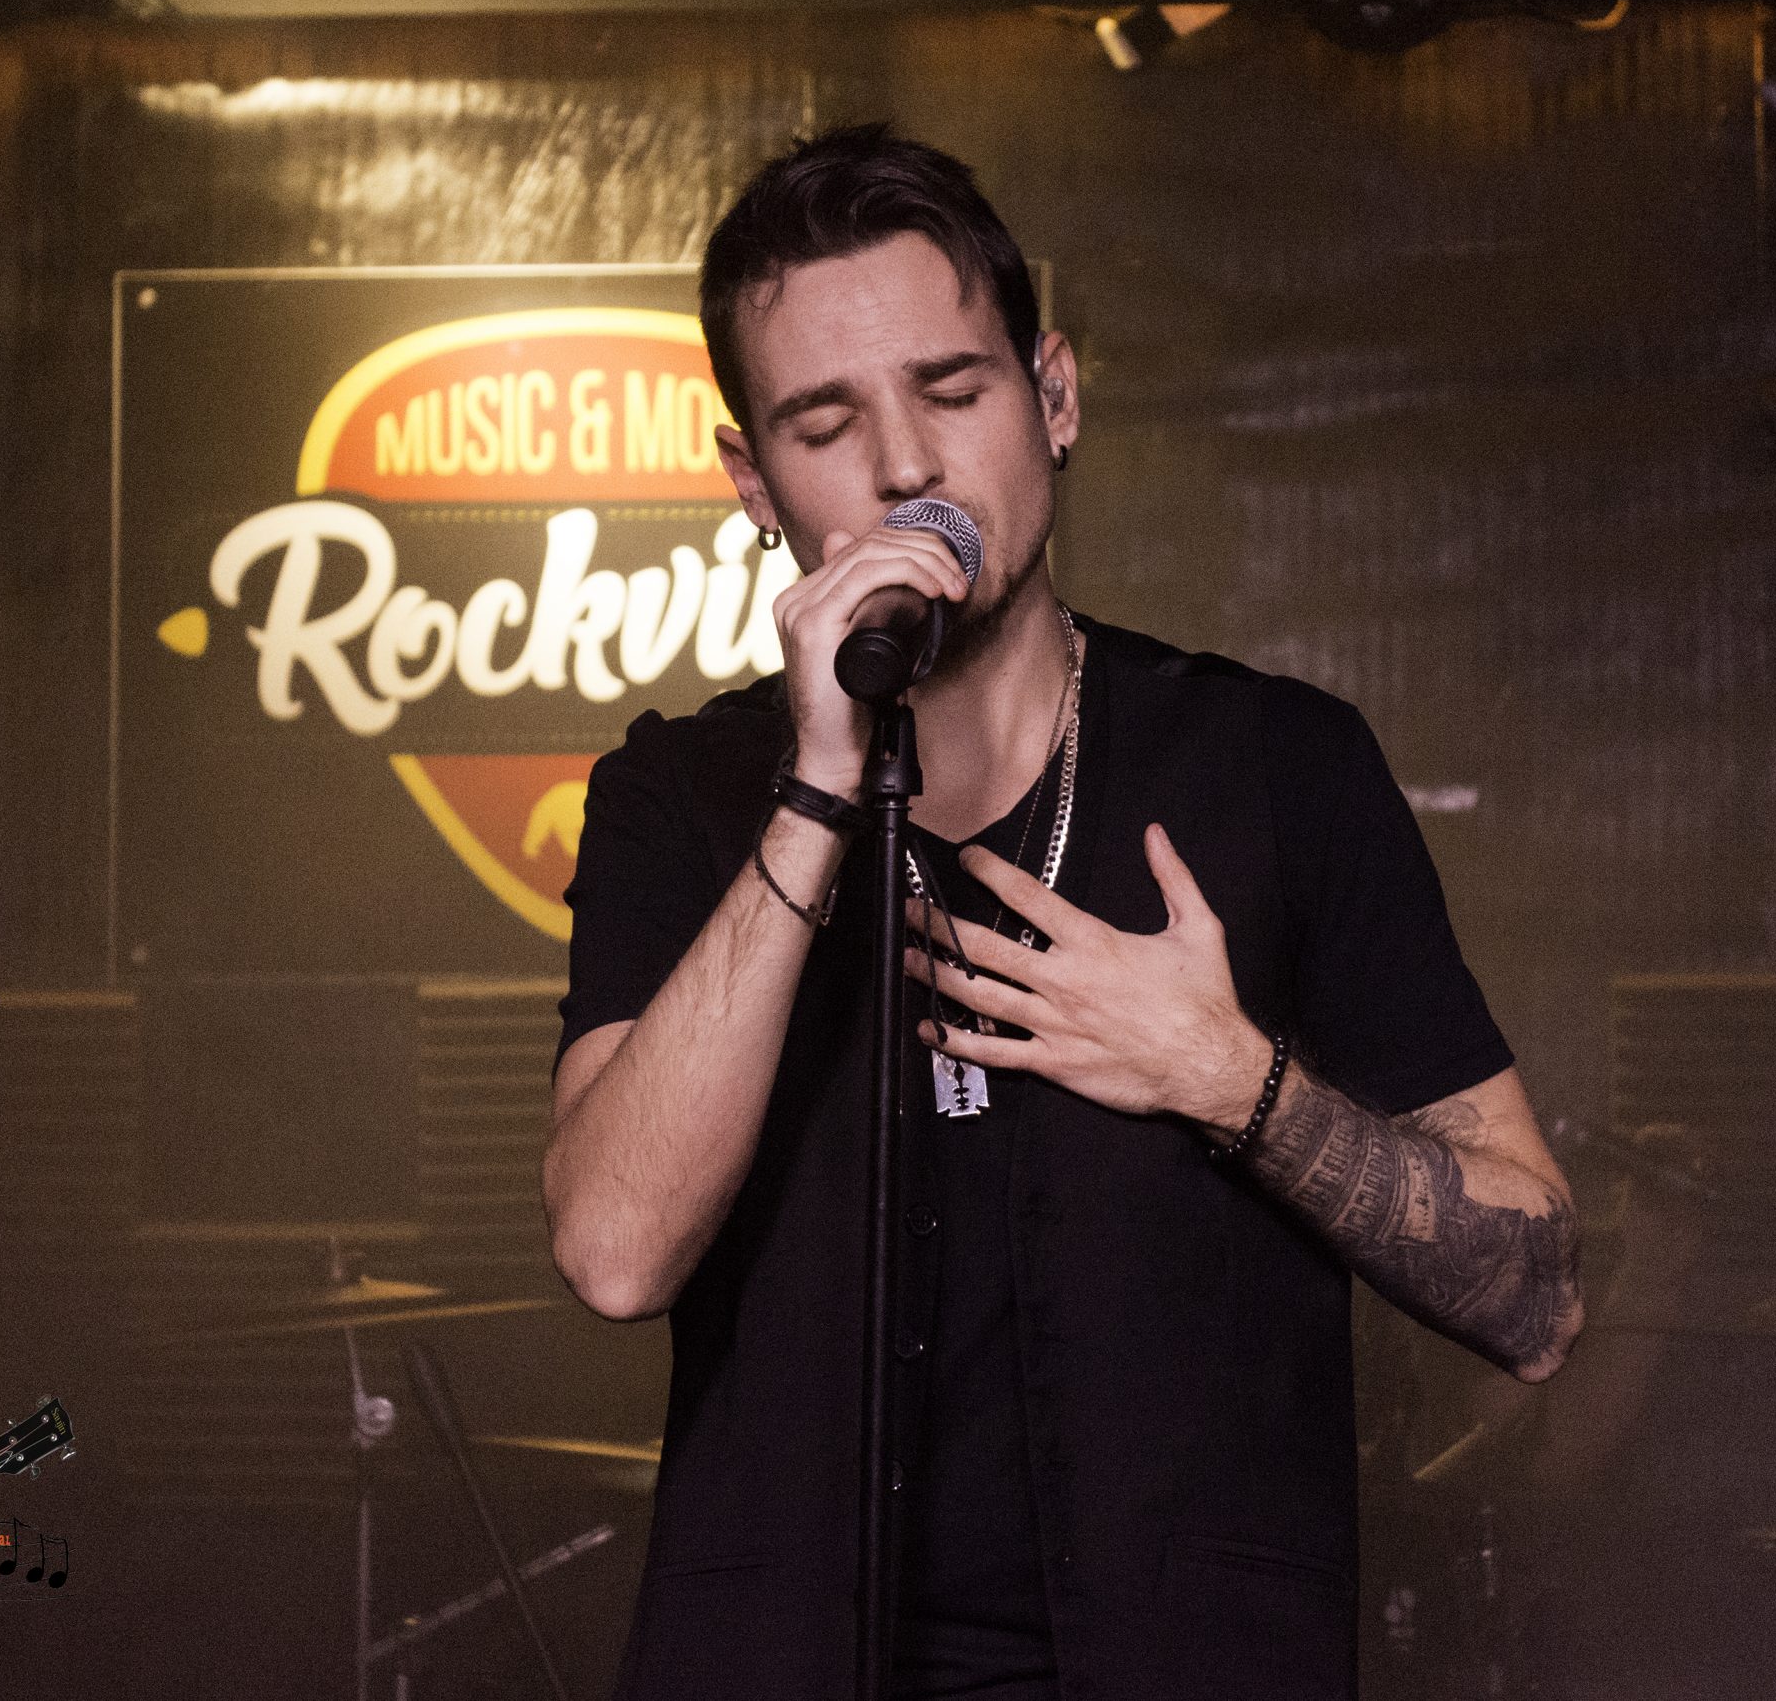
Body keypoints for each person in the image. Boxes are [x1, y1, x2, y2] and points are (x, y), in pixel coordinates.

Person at [544, 124, 1582, 1701]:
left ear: (1057, 397)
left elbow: (1538, 1297)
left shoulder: (1278, 769)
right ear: (754, 484)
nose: (906, 464)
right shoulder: (679, 798)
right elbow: (616, 1250)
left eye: (953, 391)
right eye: (827, 422)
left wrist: (1233, 1082)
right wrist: (817, 789)